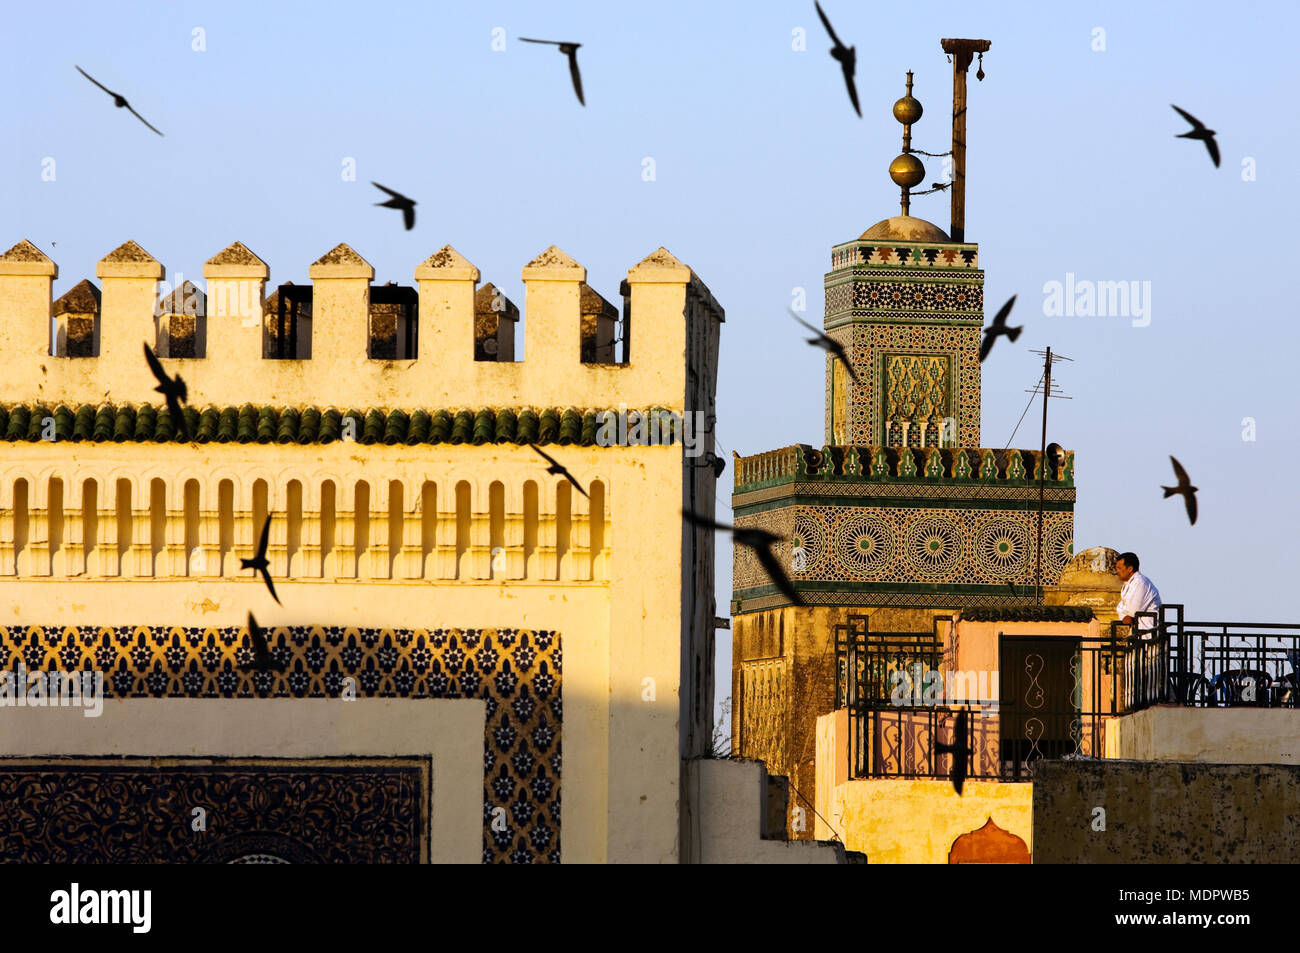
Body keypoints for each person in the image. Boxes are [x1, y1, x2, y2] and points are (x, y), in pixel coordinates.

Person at [1115, 551, 1162, 636]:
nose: (1117, 571)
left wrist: (1125, 612)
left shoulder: (1140, 582)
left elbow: (1133, 611)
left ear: (1130, 569)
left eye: (1119, 568)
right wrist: (1124, 615)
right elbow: (1119, 608)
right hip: (1139, 635)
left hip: (1149, 635)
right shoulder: (1127, 585)